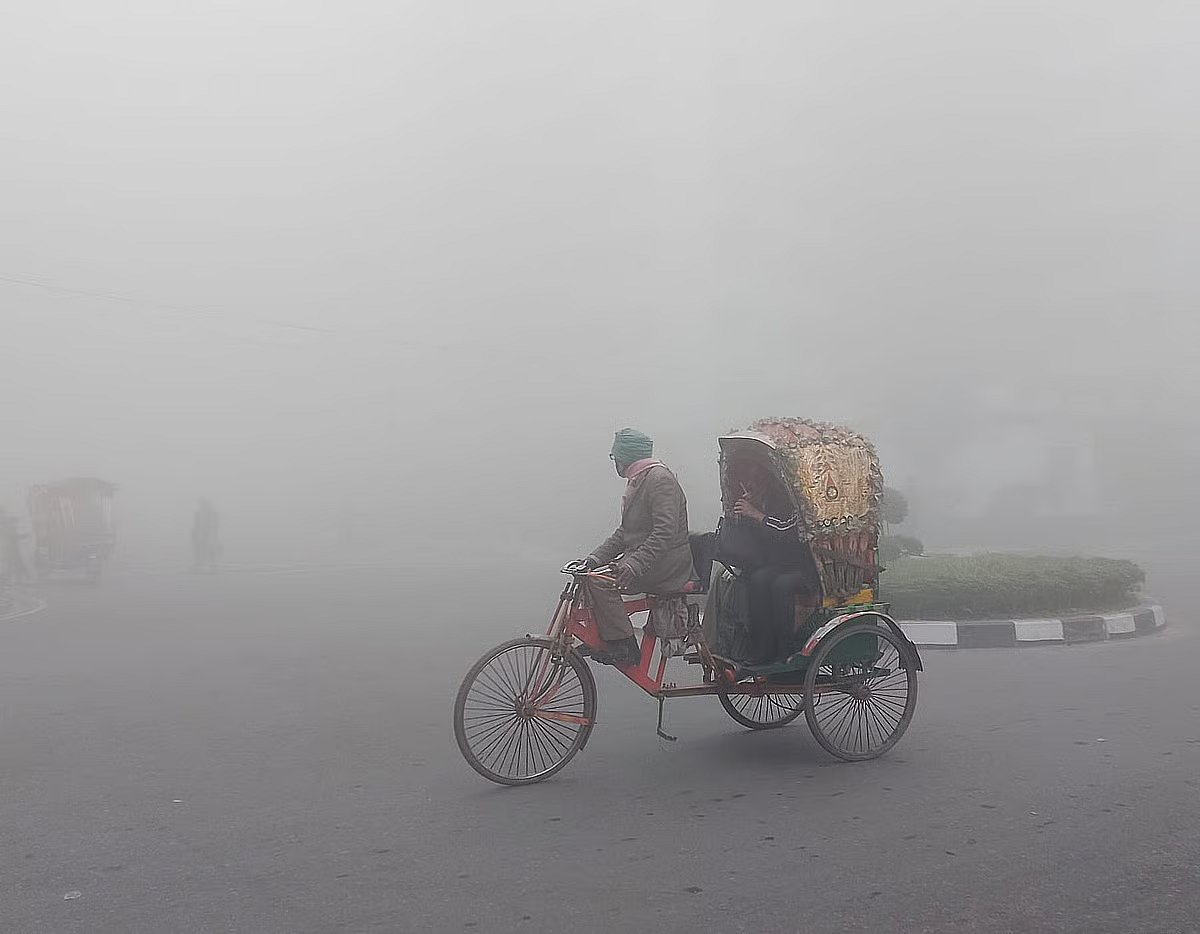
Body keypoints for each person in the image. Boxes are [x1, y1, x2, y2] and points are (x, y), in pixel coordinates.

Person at [577, 429, 693, 666]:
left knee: (599, 583)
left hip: (666, 566)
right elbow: (624, 533)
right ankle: (610, 637)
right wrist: (593, 559)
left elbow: (665, 532)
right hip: (650, 560)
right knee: (589, 575)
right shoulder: (639, 480)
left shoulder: (660, 481)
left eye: (615, 457)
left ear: (625, 457)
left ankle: (625, 645)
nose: (614, 463)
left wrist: (634, 564)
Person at [727, 457, 819, 664]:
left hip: (804, 568)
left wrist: (757, 514)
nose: (750, 484)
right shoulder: (754, 500)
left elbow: (787, 529)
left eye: (754, 478)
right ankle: (762, 648)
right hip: (777, 566)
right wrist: (745, 515)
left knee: (781, 585)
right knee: (757, 579)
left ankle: (785, 650)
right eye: (746, 480)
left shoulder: (784, 498)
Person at [0, 509, 29, 585]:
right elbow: (12, 537)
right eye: (15, 522)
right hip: (10, 549)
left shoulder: (8, 527)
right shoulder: (8, 528)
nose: (16, 524)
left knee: (13, 564)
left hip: (12, 549)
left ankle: (15, 579)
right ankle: (11, 579)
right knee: (13, 564)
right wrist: (23, 536)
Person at [191, 499, 220, 573]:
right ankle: (199, 564)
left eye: (202, 504)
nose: (200, 505)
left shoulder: (212, 512)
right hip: (202, 533)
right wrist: (194, 533)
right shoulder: (198, 513)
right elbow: (196, 523)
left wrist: (214, 533)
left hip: (208, 533)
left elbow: (215, 523)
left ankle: (212, 565)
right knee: (199, 549)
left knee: (209, 548)